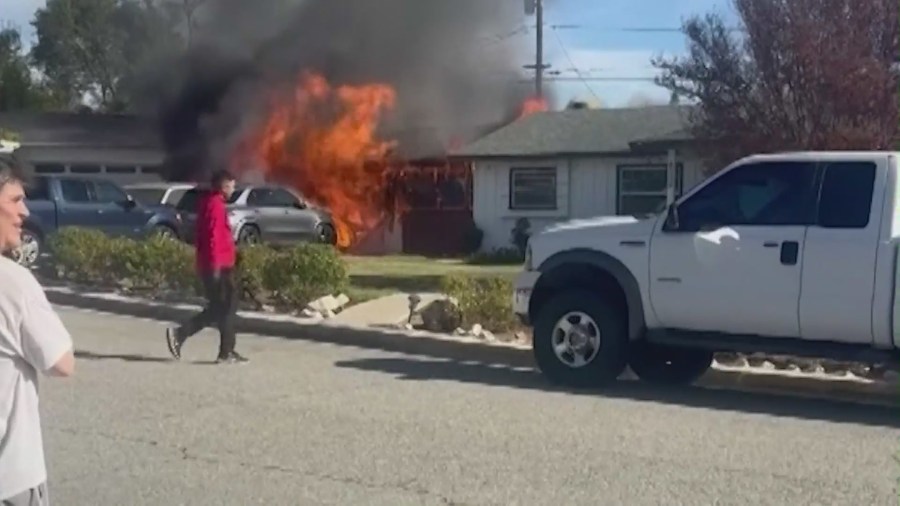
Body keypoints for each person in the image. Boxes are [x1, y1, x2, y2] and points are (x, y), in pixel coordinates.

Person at [0, 154, 75, 505]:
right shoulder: (13, 283)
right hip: (10, 476)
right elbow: (61, 362)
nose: (24, 212)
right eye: (15, 200)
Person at [166, 169, 248, 364]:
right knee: (225, 306)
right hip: (217, 266)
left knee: (221, 307)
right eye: (232, 185)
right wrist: (216, 269)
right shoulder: (214, 205)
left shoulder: (212, 203)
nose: (233, 188)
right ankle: (223, 351)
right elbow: (212, 238)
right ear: (224, 185)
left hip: (218, 264)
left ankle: (187, 337)